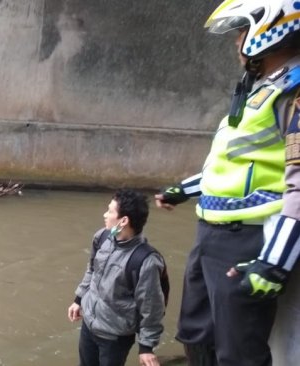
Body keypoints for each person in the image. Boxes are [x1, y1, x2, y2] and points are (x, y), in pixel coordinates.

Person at [154, 1, 300, 365]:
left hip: (249, 238)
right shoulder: (259, 90)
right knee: (196, 334)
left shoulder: (293, 95)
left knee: (239, 351)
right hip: (212, 232)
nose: (236, 40)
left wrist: (274, 263)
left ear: (270, 31)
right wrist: (183, 189)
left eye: (241, 31)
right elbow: (233, 165)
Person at [68, 189, 166, 366]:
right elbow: (92, 269)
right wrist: (79, 298)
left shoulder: (145, 261)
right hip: (89, 324)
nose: (105, 215)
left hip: (115, 337)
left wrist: (146, 347)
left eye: (110, 211)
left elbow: (151, 307)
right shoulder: (102, 237)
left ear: (124, 220)